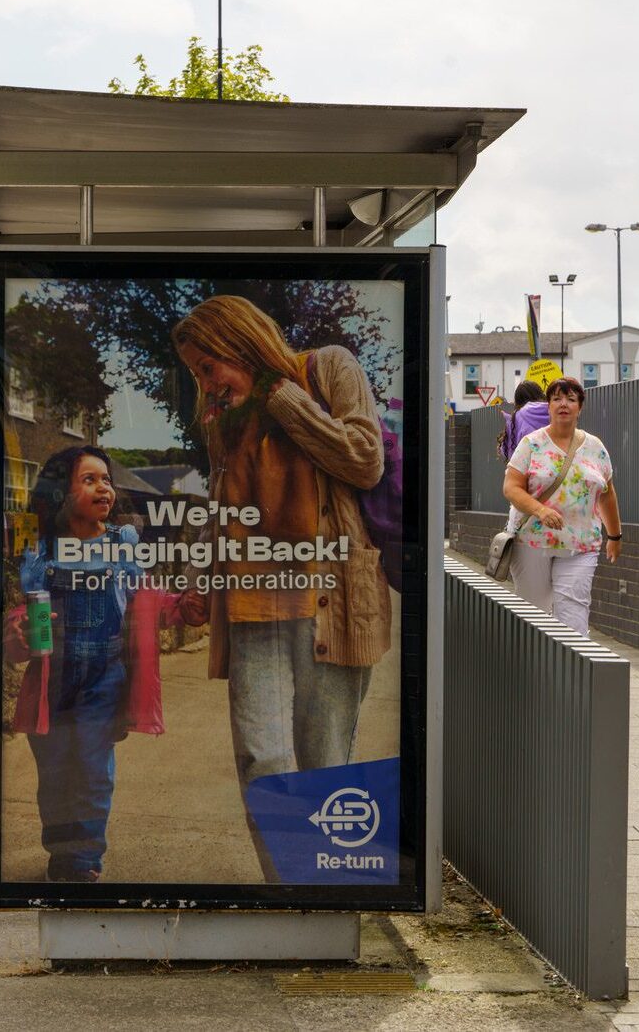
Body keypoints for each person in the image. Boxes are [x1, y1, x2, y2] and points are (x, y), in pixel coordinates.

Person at [171, 294, 391, 882]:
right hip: (252, 604)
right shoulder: (224, 420)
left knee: (323, 763)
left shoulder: (328, 369)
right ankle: (288, 888)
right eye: (197, 373)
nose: (207, 383)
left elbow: (364, 460)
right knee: (263, 759)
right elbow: (220, 504)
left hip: (328, 597)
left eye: (209, 367)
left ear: (239, 344)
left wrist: (280, 398)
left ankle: (325, 893)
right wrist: (195, 579)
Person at [3, 445, 199, 884]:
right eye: (88, 479)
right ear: (60, 494)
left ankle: (84, 860)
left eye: (106, 479)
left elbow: (144, 599)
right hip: (54, 677)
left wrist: (182, 608)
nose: (103, 487)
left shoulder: (123, 543)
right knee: (54, 775)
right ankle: (61, 851)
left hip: (104, 675)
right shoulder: (43, 550)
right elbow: (24, 609)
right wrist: (18, 633)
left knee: (93, 773)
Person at [502, 376, 622, 636]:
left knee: (574, 618)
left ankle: (570, 675)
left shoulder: (595, 448)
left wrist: (614, 535)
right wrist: (540, 510)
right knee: (532, 615)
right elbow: (511, 488)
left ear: (580, 407)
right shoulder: (531, 444)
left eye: (570, 398)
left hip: (580, 544)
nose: (563, 404)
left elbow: (607, 494)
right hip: (531, 542)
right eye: (556, 398)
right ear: (548, 406)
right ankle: (535, 672)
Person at [497, 380, 549, 460]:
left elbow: (509, 450)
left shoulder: (517, 418)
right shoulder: (554, 412)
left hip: (526, 468)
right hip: (554, 466)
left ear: (518, 400)